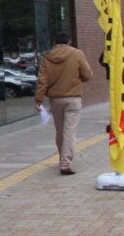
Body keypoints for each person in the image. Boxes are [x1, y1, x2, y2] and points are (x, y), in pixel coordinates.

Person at [34, 32, 93, 175]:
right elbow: (87, 75)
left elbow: (42, 80)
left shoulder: (46, 57)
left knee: (60, 131)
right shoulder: (77, 54)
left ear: (54, 42)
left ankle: (62, 158)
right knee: (70, 131)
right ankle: (65, 163)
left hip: (55, 99)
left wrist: (39, 99)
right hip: (73, 98)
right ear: (69, 42)